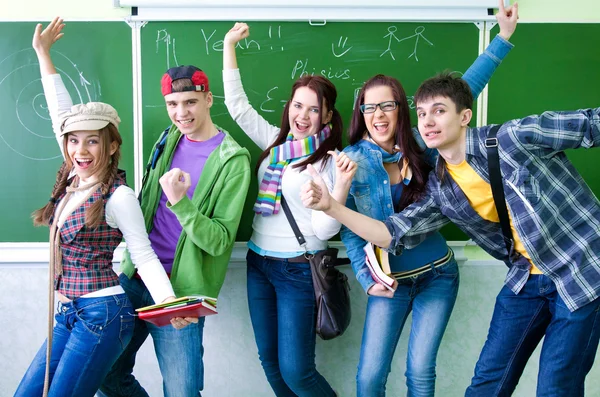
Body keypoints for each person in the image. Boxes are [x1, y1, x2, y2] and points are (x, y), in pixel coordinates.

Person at [302, 74, 600, 397]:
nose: (428, 121)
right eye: (423, 113)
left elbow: (590, 124)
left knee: (555, 388)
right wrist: (331, 206)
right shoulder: (443, 189)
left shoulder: (514, 137)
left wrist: (502, 40)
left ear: (464, 116)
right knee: (486, 385)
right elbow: (392, 233)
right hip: (525, 279)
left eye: (439, 111)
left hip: (580, 271)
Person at [342, 3, 518, 396]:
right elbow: (350, 228)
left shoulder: (421, 142)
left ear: (400, 108)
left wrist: (502, 38)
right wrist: (364, 278)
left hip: (438, 275)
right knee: (369, 378)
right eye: (370, 107)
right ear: (362, 113)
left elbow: (462, 92)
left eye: (387, 104)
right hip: (391, 281)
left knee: (420, 375)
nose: (379, 114)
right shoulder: (351, 161)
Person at [15, 18, 176, 397]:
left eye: (92, 142)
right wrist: (43, 55)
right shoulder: (72, 178)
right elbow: (61, 114)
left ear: (111, 146)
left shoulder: (119, 196)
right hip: (69, 313)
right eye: (74, 142)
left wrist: (169, 306)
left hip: (103, 315)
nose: (80, 151)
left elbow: (144, 255)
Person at [98, 32, 252, 397]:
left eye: (189, 102)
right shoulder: (167, 140)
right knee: (104, 374)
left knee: (182, 392)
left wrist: (181, 202)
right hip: (137, 277)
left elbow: (218, 241)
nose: (181, 112)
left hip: (182, 294)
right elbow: (146, 205)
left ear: (208, 99)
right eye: (172, 104)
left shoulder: (234, 160)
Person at [222, 23, 355, 396]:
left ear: (327, 117)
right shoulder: (274, 145)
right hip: (259, 264)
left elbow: (327, 231)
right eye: (298, 105)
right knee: (271, 363)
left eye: (314, 109)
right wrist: (229, 45)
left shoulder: (329, 161)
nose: (303, 115)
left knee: (298, 372)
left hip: (300, 269)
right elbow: (237, 107)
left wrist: (334, 192)